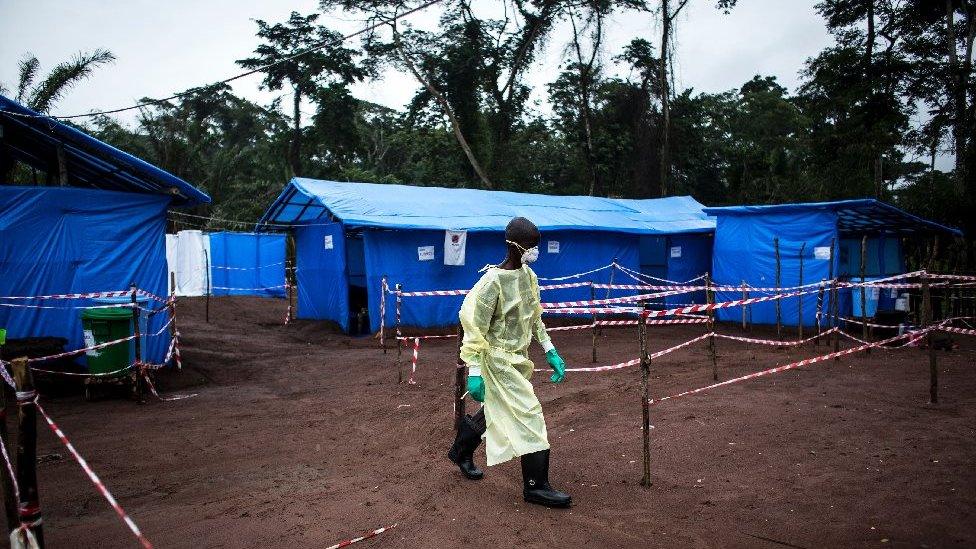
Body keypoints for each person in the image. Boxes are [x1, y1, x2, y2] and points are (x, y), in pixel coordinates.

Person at [447, 217, 572, 508]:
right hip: (496, 359)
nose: (534, 251)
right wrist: (474, 372)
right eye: (531, 246)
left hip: (518, 358)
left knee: (496, 408)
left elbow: (535, 317)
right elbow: (474, 327)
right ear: (514, 246)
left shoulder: (529, 277)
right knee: (529, 412)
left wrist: (549, 350)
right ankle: (536, 486)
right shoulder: (491, 283)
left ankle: (461, 450)